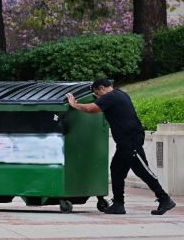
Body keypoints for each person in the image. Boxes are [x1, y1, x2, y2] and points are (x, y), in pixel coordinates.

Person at [65, 78, 176, 215]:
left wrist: (74, 104)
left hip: (131, 139)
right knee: (116, 170)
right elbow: (101, 104)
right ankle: (118, 204)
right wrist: (99, 98)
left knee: (142, 170)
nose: (97, 96)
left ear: (102, 87)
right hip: (125, 142)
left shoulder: (111, 97)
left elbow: (91, 109)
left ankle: (165, 199)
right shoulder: (119, 94)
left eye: (97, 93)